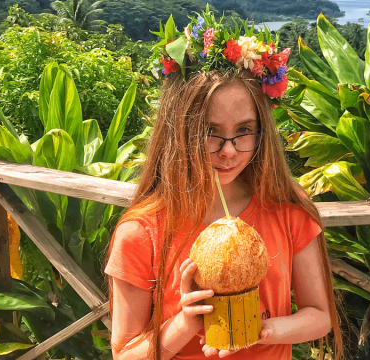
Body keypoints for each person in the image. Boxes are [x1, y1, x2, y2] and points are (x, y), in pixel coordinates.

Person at [104, 11, 343, 360]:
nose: (228, 151)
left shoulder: (287, 210)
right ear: (178, 132)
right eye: (209, 131)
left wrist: (261, 331)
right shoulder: (142, 232)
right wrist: (187, 320)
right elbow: (124, 354)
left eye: (243, 130)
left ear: (262, 132)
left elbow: (319, 316)